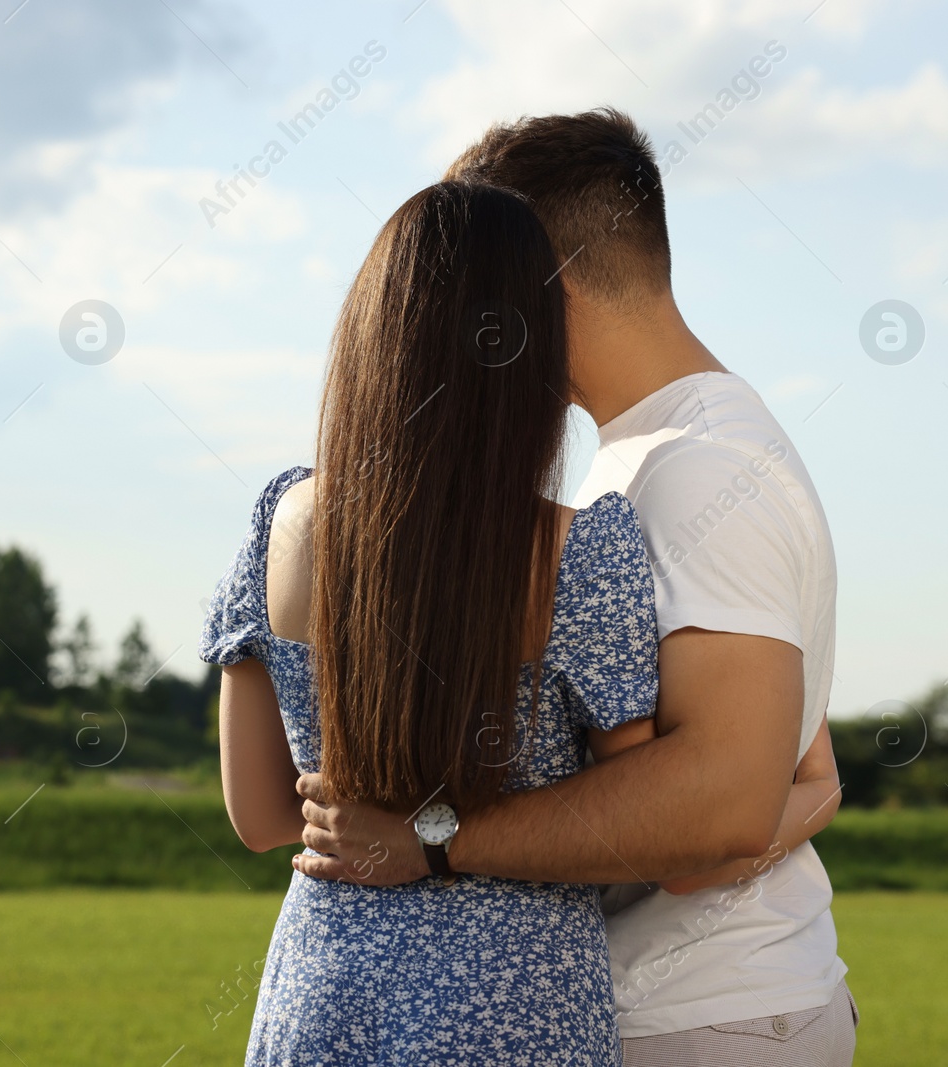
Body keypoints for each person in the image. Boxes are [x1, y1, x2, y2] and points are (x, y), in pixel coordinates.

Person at [295, 109, 857, 1065]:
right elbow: (799, 776)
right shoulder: (647, 462)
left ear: (531, 286)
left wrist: (434, 840)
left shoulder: (701, 472)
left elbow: (721, 803)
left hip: (698, 1021)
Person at [201, 180, 664, 1063]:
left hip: (324, 991)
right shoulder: (580, 552)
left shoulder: (280, 522)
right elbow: (631, 838)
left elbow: (260, 815)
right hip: (518, 1007)